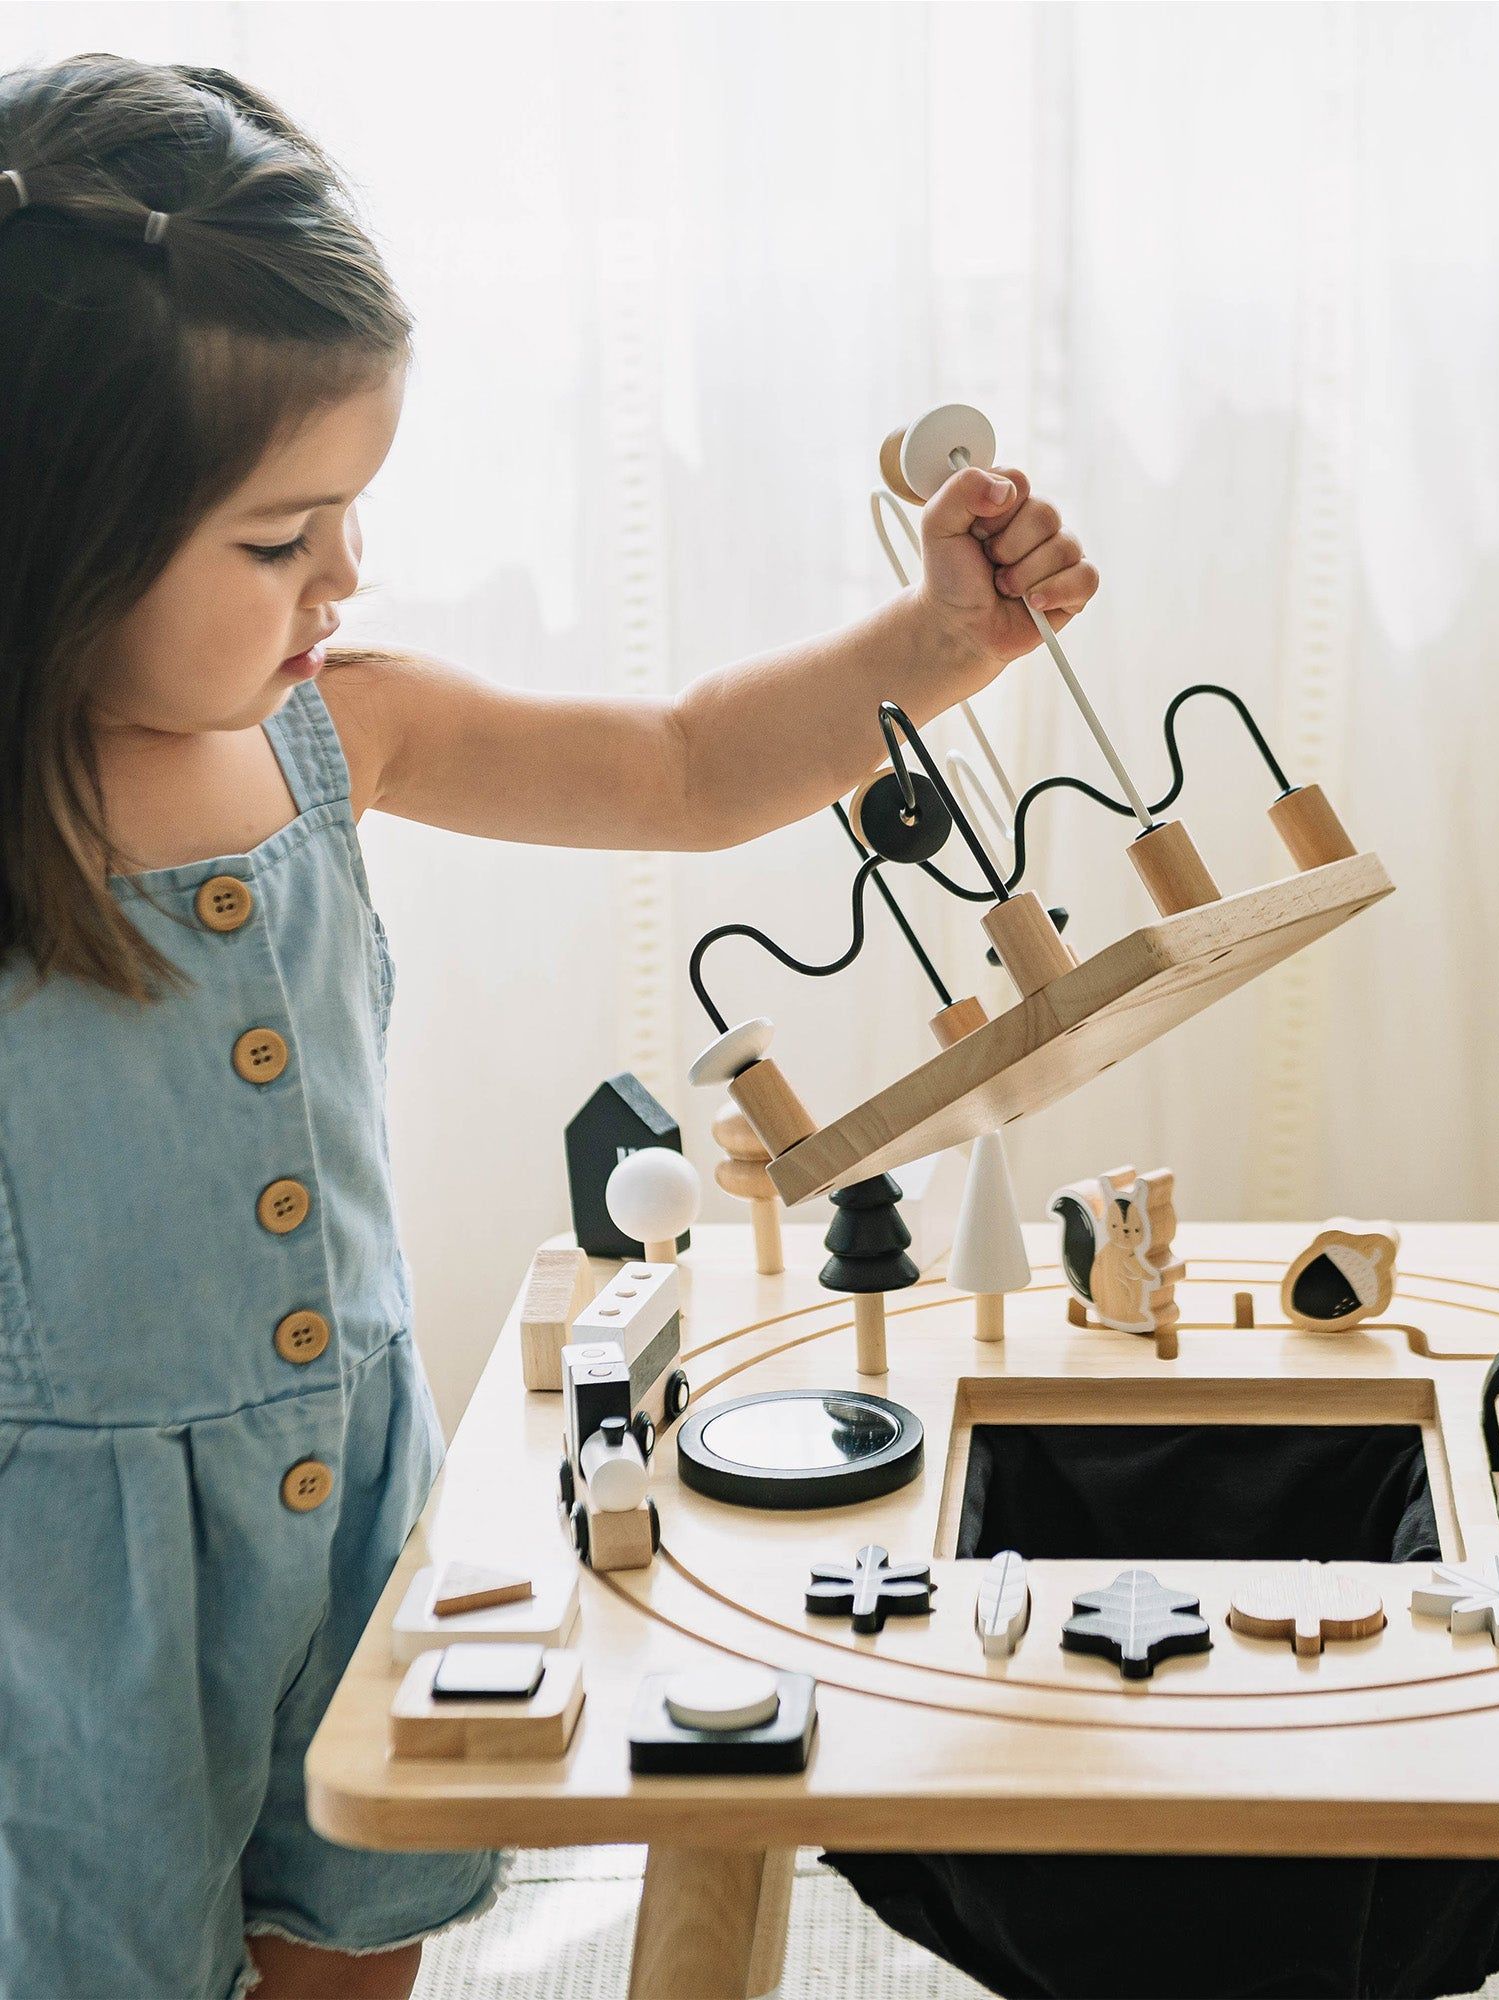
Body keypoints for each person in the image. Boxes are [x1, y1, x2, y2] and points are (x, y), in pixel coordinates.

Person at [0, 53, 1095, 2000]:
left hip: (342, 1496)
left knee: (358, 1923)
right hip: (57, 1587)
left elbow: (676, 767)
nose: (346, 574)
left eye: (351, 515)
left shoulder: (340, 727)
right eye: (280, 540)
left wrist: (933, 645)